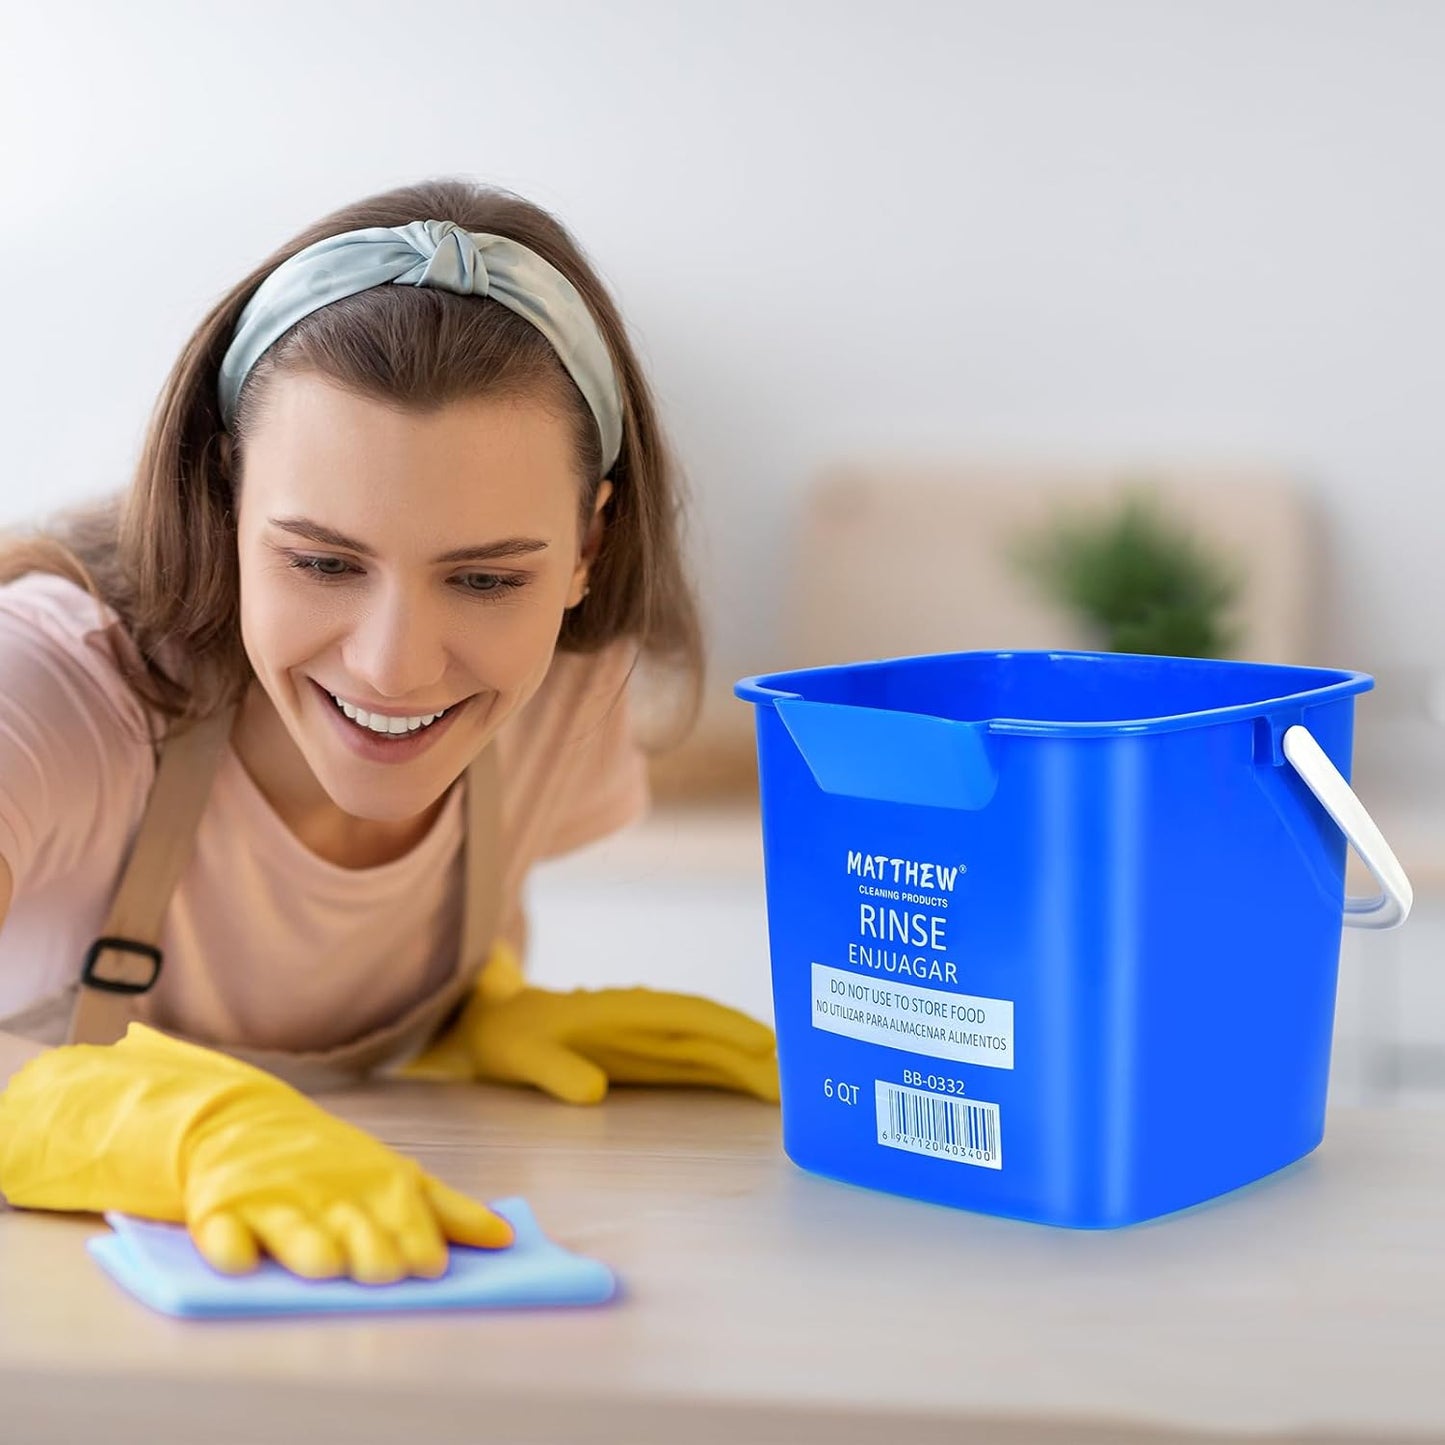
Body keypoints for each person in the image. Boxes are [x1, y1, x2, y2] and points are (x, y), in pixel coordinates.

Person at [0, 177, 778, 1286]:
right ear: (225, 498)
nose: (393, 665)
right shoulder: (52, 683)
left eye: (484, 578)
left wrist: (474, 1024)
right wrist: (175, 1129)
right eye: (322, 561)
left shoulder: (564, 694)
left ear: (586, 547)